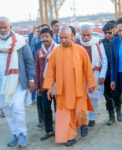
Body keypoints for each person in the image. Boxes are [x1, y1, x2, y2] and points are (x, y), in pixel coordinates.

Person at [43, 26, 96, 146]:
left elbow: (87, 68)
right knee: (66, 114)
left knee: (80, 111)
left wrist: (91, 83)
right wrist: (50, 87)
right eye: (61, 38)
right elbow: (50, 72)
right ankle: (70, 136)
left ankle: (83, 123)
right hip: (63, 90)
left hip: (79, 88)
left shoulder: (80, 50)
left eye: (65, 38)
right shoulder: (55, 52)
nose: (62, 40)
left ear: (72, 36)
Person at [0, 17, 35, 147]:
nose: (2, 30)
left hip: (18, 82)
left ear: (10, 27)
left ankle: (22, 134)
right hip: (2, 82)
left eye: (5, 27)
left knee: (17, 108)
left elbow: (29, 62)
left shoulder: (20, 42)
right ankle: (15, 133)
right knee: (7, 108)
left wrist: (32, 79)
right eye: (0, 28)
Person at [76, 24, 107, 127]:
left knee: (93, 97)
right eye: (83, 35)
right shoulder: (77, 44)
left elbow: (104, 60)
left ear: (91, 33)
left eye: (88, 35)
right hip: (80, 76)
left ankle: (92, 118)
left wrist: (102, 75)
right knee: (82, 98)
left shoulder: (98, 43)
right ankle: (84, 119)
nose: (85, 37)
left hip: (95, 74)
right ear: (80, 34)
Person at [36, 28, 57, 141]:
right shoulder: (39, 52)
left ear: (52, 37)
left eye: (46, 36)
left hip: (57, 84)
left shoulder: (58, 49)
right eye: (42, 37)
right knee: (46, 108)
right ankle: (49, 130)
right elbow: (38, 69)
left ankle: (60, 130)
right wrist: (38, 86)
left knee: (59, 108)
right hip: (44, 85)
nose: (44, 39)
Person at [102, 23, 122, 125]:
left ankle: (118, 110)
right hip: (106, 75)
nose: (108, 35)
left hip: (116, 74)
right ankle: (111, 116)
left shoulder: (119, 41)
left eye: (110, 32)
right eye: (106, 33)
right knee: (107, 96)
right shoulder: (101, 44)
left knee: (116, 94)